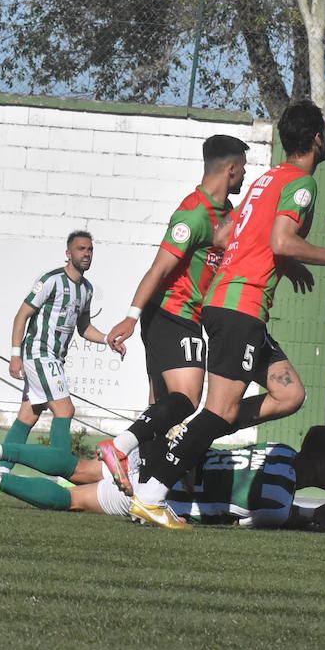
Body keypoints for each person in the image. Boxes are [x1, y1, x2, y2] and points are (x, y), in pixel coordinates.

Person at [129, 100, 325, 529]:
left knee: (290, 394)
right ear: (317, 139)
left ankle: (187, 438)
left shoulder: (266, 180)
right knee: (220, 412)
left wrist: (288, 263)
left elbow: (230, 236)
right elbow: (280, 239)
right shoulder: (301, 184)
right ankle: (153, 491)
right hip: (240, 307)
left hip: (235, 303)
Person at [96, 134, 250, 493]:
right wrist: (131, 317)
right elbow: (159, 269)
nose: (245, 176)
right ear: (230, 169)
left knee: (161, 406)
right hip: (172, 313)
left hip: (183, 316)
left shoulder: (228, 214)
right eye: (243, 168)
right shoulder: (193, 214)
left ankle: (146, 490)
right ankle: (118, 447)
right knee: (187, 399)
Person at [0, 424, 325, 529]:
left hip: (168, 459)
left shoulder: (281, 451)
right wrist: (309, 519)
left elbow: (276, 499)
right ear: (320, 460)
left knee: (79, 469)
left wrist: (304, 514)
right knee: (76, 498)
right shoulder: (278, 498)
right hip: (162, 493)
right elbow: (268, 516)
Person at [0, 230, 121, 473]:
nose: (86, 254)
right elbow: (21, 315)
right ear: (68, 253)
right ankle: (65, 472)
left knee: (29, 416)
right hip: (39, 354)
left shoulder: (86, 288)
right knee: (65, 410)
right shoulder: (51, 280)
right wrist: (15, 355)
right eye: (80, 249)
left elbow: (83, 327)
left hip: (55, 359)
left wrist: (107, 339)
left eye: (89, 249)